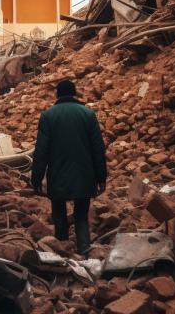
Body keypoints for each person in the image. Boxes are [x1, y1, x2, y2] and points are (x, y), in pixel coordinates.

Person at [31, 79, 107, 255]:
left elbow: (41, 151)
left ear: (57, 94)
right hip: (84, 176)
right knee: (81, 217)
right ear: (74, 93)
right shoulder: (88, 115)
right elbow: (98, 149)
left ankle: (62, 252)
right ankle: (85, 252)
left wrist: (36, 179)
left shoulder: (48, 116)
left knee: (59, 217)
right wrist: (101, 178)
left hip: (57, 176)